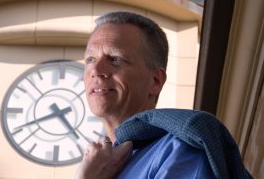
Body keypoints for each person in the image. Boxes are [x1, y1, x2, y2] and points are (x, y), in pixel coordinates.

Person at [75, 11, 252, 179]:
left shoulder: (180, 148)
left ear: (156, 81)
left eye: (115, 59)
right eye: (90, 60)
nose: (96, 70)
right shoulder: (98, 167)